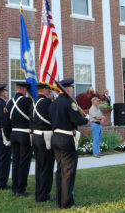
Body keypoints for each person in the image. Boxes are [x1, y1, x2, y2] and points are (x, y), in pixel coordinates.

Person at [49, 79, 89, 209]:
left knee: (60, 170)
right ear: (68, 89)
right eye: (72, 88)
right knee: (68, 171)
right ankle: (66, 202)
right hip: (67, 139)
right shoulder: (69, 102)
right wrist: (85, 120)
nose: (72, 90)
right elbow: (75, 119)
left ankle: (60, 200)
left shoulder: (53, 103)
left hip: (55, 138)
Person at [4, 81, 32, 197]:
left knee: (15, 162)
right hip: (24, 134)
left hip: (13, 135)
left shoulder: (9, 102)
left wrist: (8, 136)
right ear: (24, 89)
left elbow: (5, 122)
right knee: (24, 163)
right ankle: (20, 189)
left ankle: (15, 187)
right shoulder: (27, 101)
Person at [31, 82, 55, 203]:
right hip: (45, 137)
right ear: (44, 90)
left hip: (35, 136)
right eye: (49, 89)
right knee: (47, 166)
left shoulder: (34, 102)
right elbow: (53, 117)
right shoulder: (46, 102)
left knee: (39, 166)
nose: (50, 91)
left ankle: (39, 192)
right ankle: (43, 195)